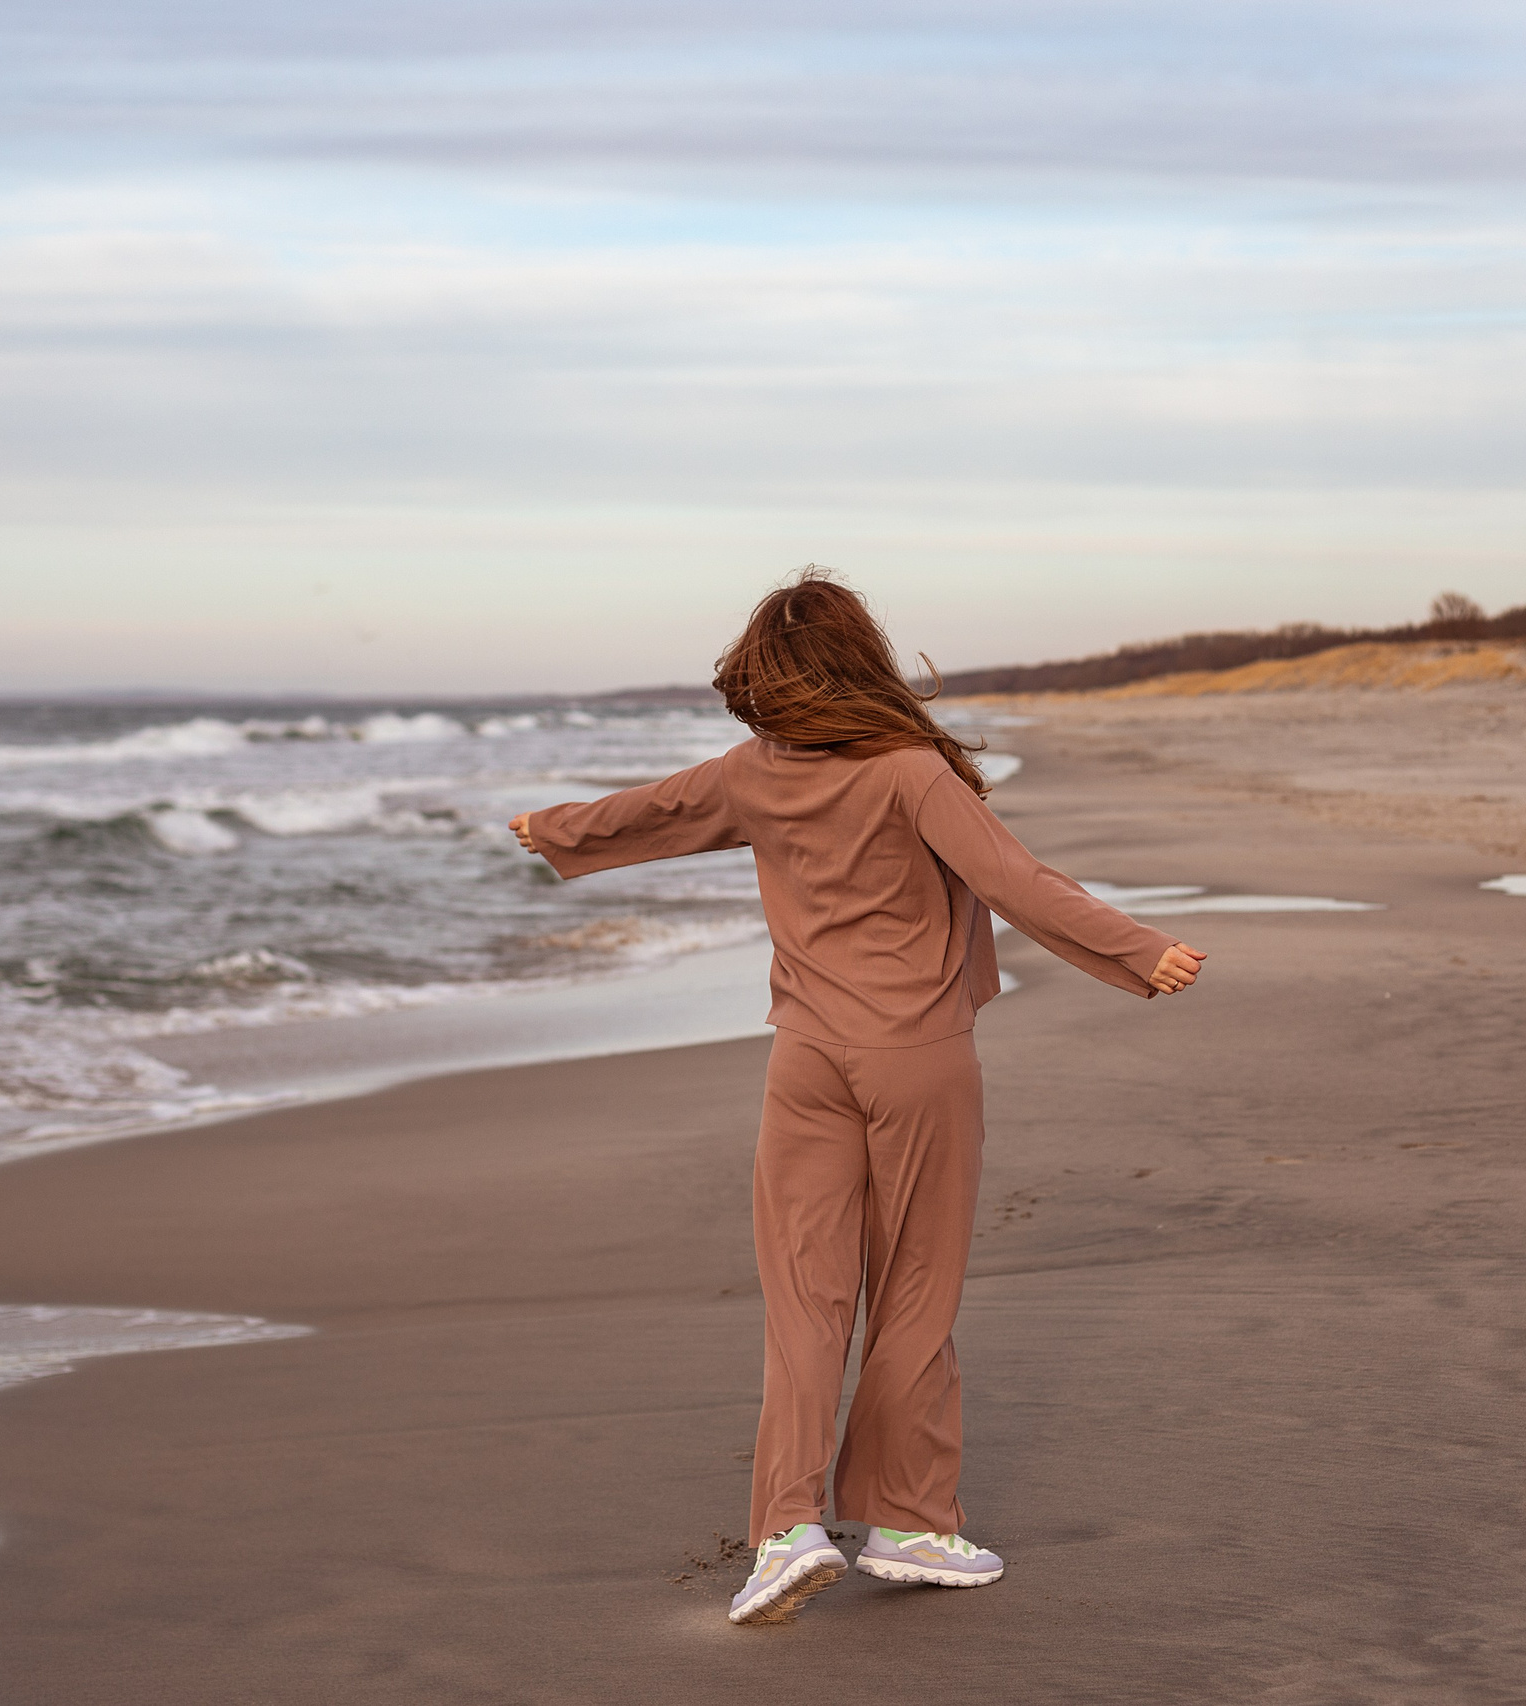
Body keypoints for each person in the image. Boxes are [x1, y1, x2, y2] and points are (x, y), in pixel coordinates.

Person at [509, 571, 1207, 1626]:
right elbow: (1016, 879)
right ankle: (904, 1517)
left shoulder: (755, 771)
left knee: (804, 1297)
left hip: (804, 1058)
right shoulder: (909, 770)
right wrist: (1139, 951)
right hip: (915, 1058)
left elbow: (652, 811)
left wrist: (556, 828)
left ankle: (784, 1529)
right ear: (861, 659)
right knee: (915, 1286)